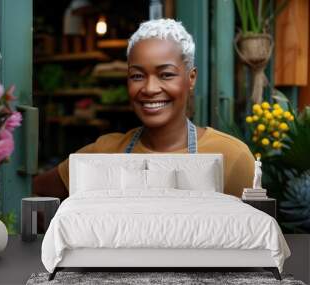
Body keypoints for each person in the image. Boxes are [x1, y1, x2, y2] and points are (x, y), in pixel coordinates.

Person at [33, 18, 254, 199]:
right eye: (137, 76)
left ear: (191, 78)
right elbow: (37, 190)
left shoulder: (232, 157)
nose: (149, 88)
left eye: (166, 74)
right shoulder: (105, 151)